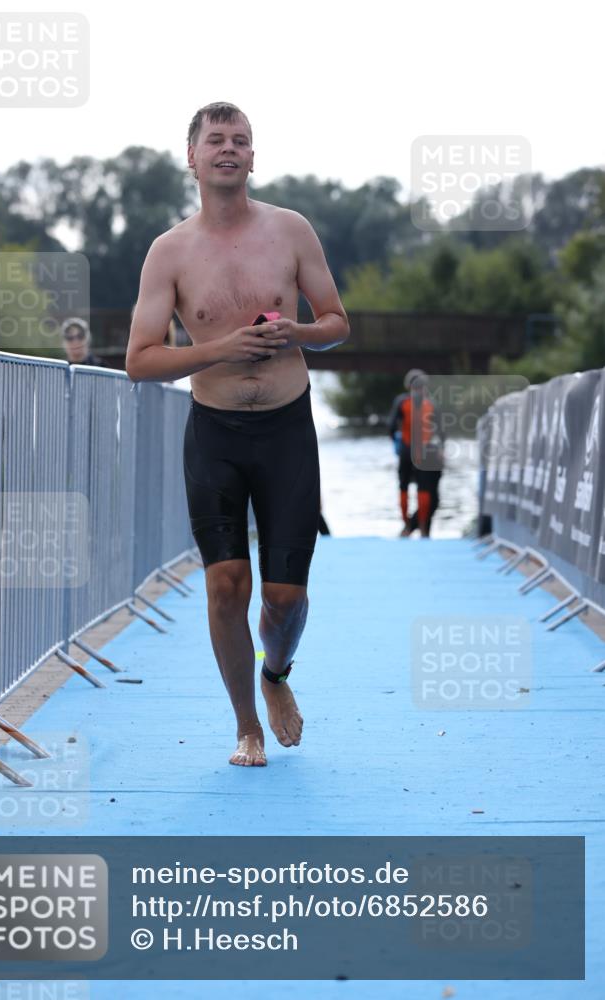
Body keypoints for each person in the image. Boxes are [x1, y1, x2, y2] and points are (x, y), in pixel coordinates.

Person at [125, 101, 349, 767]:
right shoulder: (169, 251)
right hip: (215, 433)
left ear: (253, 157)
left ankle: (275, 675)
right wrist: (221, 349)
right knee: (227, 585)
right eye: (215, 140)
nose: (228, 149)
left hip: (286, 430)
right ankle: (246, 726)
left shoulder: (289, 231)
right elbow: (140, 361)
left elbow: (336, 322)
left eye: (240, 141)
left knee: (285, 597)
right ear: (190, 158)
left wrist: (296, 333)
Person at [388, 369, 443, 538]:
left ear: (408, 385)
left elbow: (391, 426)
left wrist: (396, 444)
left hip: (406, 450)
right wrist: (441, 449)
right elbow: (441, 432)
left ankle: (405, 526)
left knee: (403, 486)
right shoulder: (432, 404)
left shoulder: (402, 402)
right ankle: (423, 529)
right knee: (424, 488)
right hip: (424, 451)